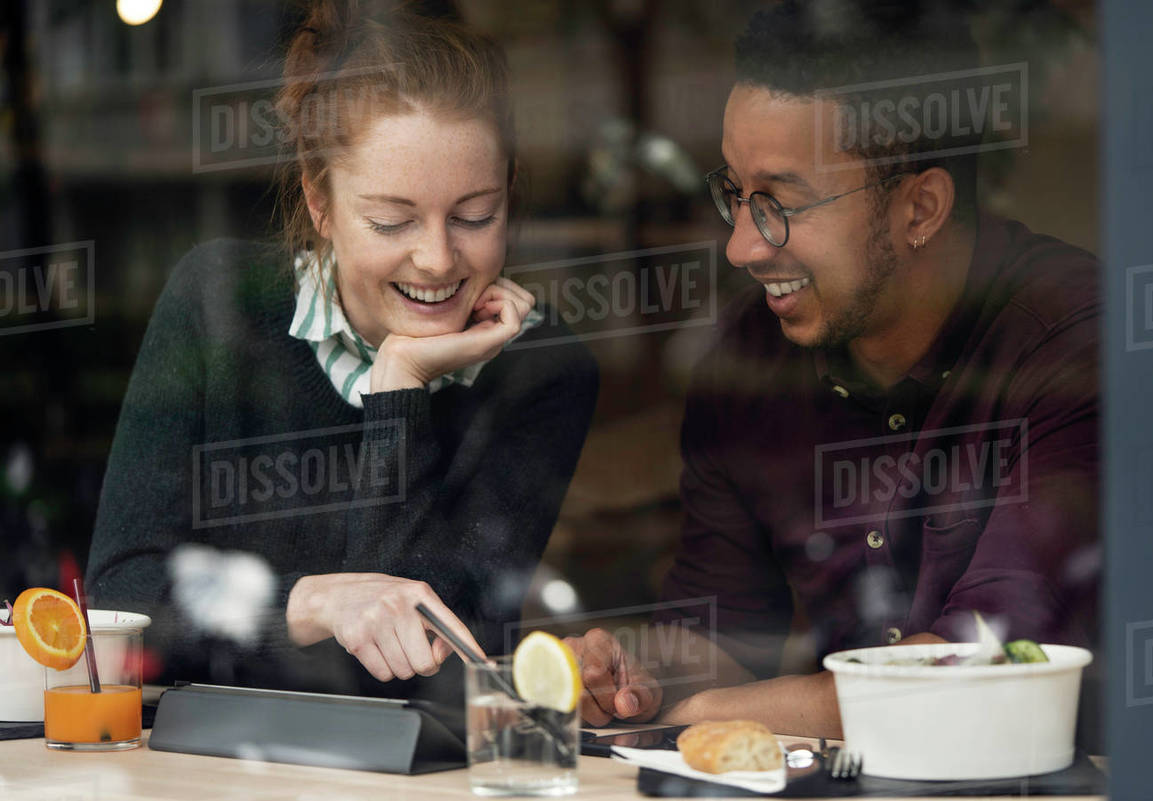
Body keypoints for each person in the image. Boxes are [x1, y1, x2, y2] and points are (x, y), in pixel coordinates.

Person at [567, 0, 1100, 740]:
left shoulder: (1072, 345)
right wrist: (638, 681)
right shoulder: (749, 363)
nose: (741, 248)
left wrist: (697, 717)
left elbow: (984, 672)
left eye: (781, 204)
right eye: (736, 196)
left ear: (920, 208)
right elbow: (722, 629)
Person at [85, 1, 597, 704]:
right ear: (319, 202)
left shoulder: (545, 371)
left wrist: (399, 384)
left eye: (476, 215)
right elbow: (121, 597)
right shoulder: (219, 302)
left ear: (510, 192)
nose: (438, 258)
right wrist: (313, 605)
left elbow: (419, 660)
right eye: (393, 220)